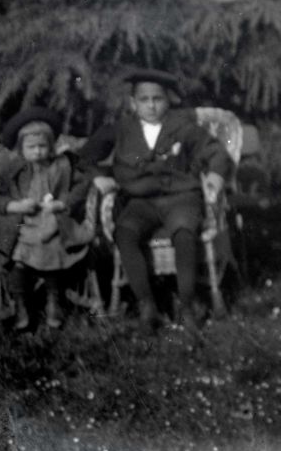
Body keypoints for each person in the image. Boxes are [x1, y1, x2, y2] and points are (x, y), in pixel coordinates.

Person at [73, 69, 232, 335]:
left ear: (167, 101)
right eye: (144, 100)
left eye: (157, 99)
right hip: (139, 201)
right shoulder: (122, 128)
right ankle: (148, 306)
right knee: (125, 233)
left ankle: (187, 304)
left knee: (183, 232)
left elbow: (216, 151)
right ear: (133, 103)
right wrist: (98, 178)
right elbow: (84, 157)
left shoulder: (182, 127)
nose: (151, 105)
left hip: (180, 197)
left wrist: (215, 176)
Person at [0, 107, 95, 332]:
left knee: (52, 247)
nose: (37, 152)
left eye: (42, 146)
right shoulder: (11, 168)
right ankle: (21, 306)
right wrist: (16, 205)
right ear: (21, 147)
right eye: (31, 147)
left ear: (51, 145)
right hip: (20, 223)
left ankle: (53, 302)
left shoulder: (62, 165)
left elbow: (82, 186)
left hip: (52, 219)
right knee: (18, 257)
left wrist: (62, 203)